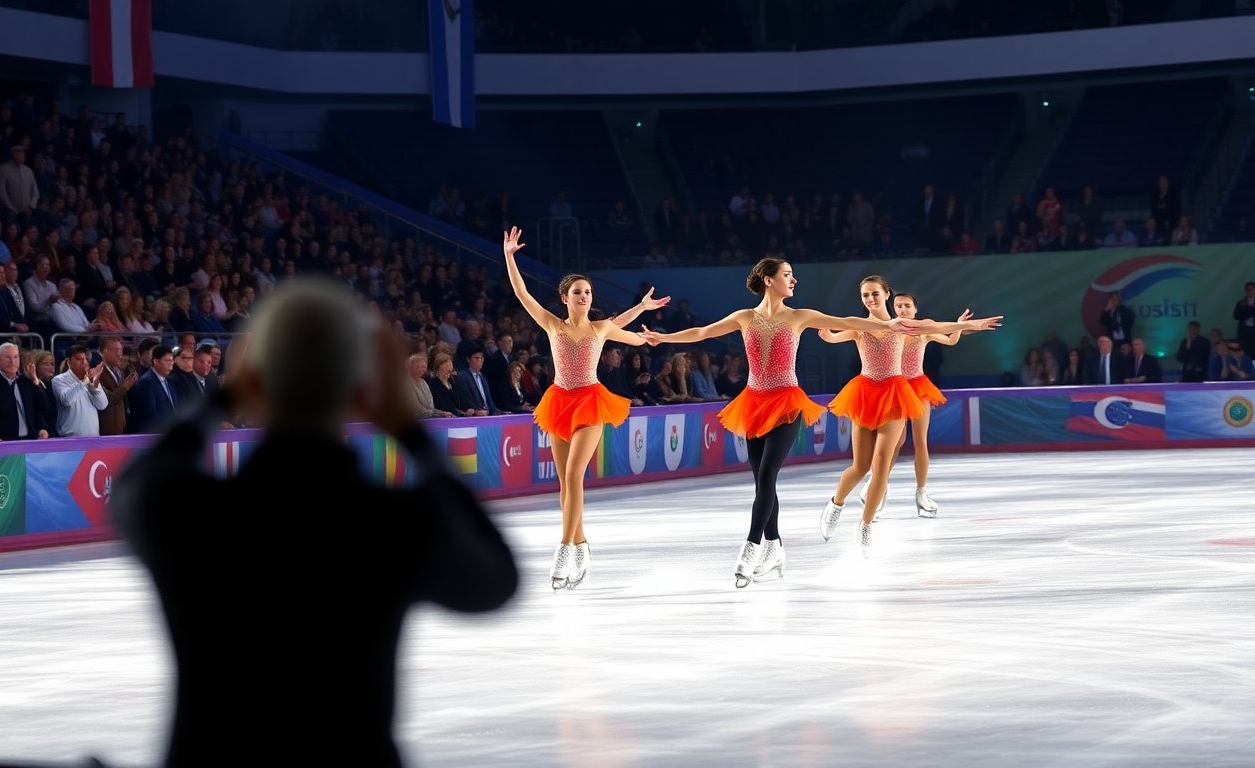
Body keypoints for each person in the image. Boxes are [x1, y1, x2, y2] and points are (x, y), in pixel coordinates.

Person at [108, 278, 518, 768]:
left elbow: (139, 481)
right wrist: (404, 425)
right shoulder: (388, 522)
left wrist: (224, 396)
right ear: (359, 391)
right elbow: (496, 579)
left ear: (253, 383)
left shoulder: (196, 513)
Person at [643, 260, 991, 584]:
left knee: (771, 475)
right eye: (787, 274)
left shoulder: (801, 316)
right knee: (764, 481)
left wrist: (951, 326)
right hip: (754, 402)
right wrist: (664, 338)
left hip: (789, 402)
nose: (793, 279)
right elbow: (702, 332)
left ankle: (752, 548)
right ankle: (776, 545)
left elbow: (860, 324)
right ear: (768, 280)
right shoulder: (745, 317)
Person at [503, 226, 663, 591]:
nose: (584, 296)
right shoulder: (552, 324)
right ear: (565, 298)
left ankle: (564, 549)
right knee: (564, 483)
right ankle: (582, 546)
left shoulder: (601, 328)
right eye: (577, 292)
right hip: (559, 402)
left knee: (575, 475)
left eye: (588, 292)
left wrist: (645, 319)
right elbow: (522, 293)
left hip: (590, 401)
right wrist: (510, 257)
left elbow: (632, 335)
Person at [818, 275, 1000, 555]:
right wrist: (827, 334)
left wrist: (966, 326)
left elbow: (937, 327)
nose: (870, 299)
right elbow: (834, 333)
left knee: (881, 463)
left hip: (894, 393)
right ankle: (835, 505)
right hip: (865, 393)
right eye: (865, 295)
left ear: (886, 295)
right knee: (860, 466)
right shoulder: (859, 325)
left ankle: (865, 525)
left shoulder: (902, 326)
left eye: (875, 294)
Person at [831, 293, 965, 519]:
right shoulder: (892, 329)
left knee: (920, 440)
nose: (902, 309)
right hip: (895, 389)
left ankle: (921, 492)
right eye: (898, 306)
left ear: (915, 308)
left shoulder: (923, 329)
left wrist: (959, 326)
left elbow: (950, 340)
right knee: (895, 443)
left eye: (907, 306)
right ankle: (878, 484)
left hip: (917, 387)